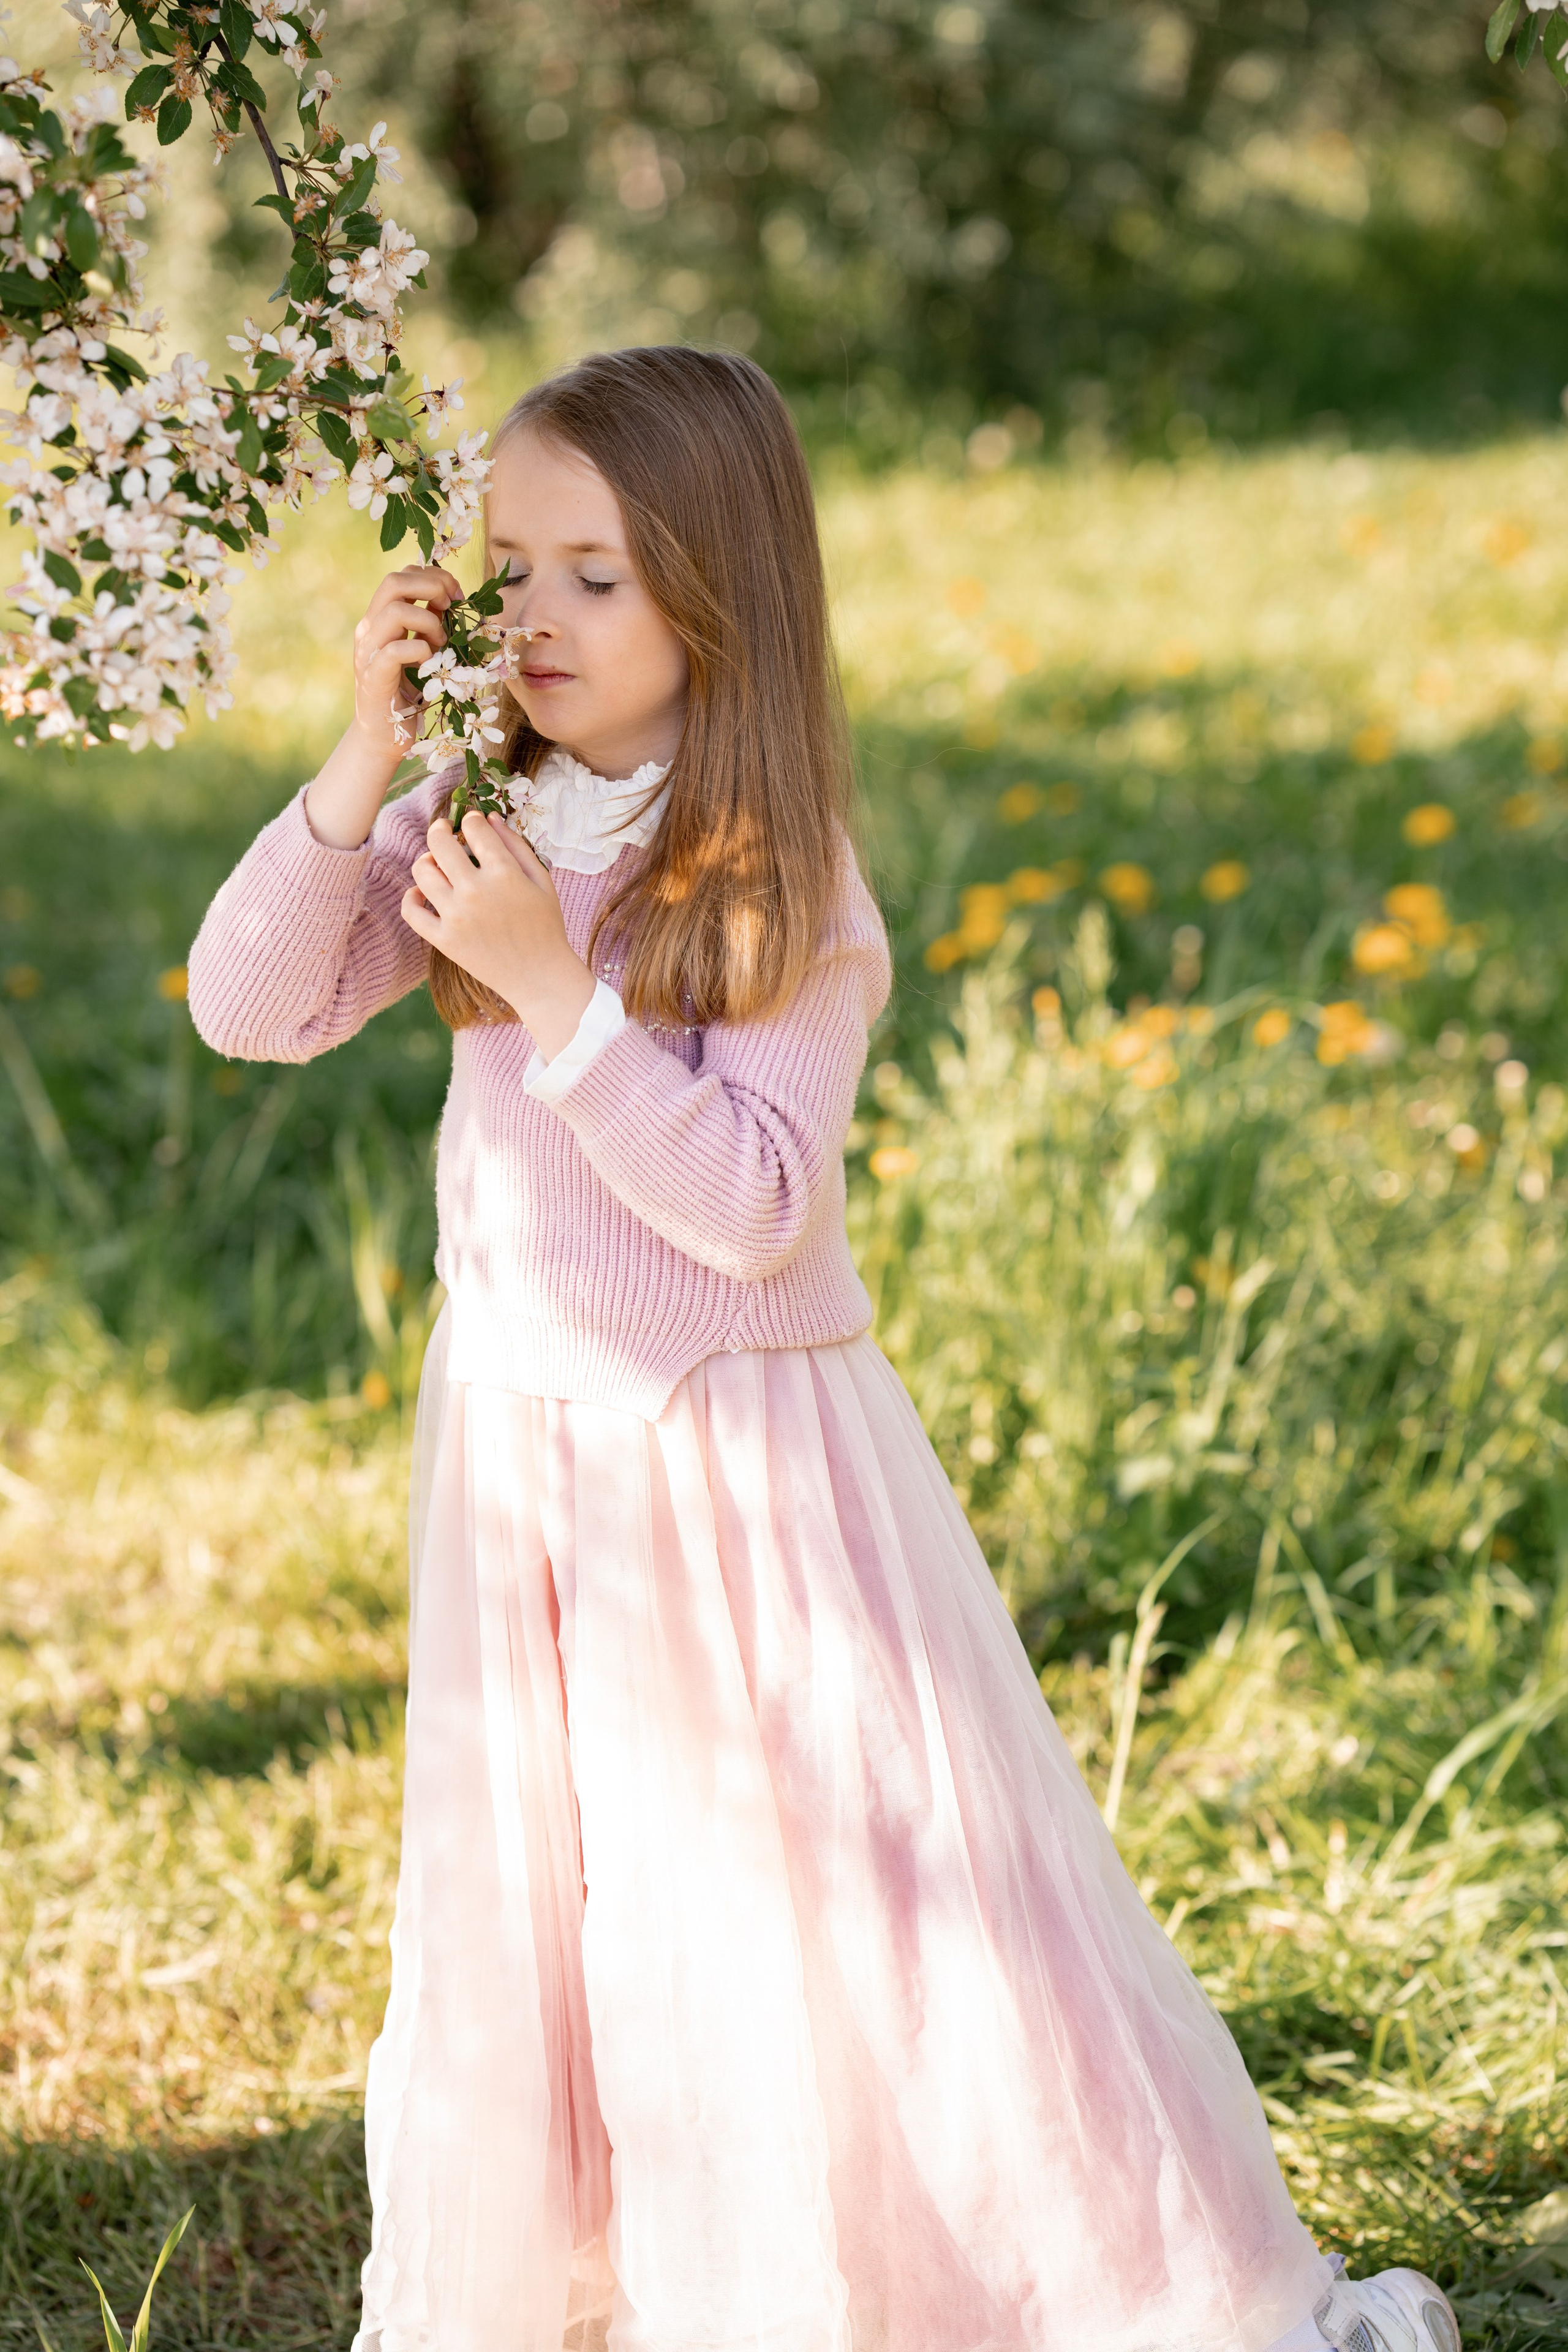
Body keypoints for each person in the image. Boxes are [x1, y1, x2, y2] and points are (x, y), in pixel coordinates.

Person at [187, 347, 1459, 2352]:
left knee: (804, 1902)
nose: (534, 618)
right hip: (529, 1464)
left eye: (595, 576)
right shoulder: (474, 812)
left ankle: (915, 2271)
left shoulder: (770, 868)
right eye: (507, 566)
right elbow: (248, 1005)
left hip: (737, 1477)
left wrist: (554, 1001)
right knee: (573, 1893)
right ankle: (618, 2267)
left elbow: (759, 1202)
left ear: (717, 592)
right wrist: (362, 755)